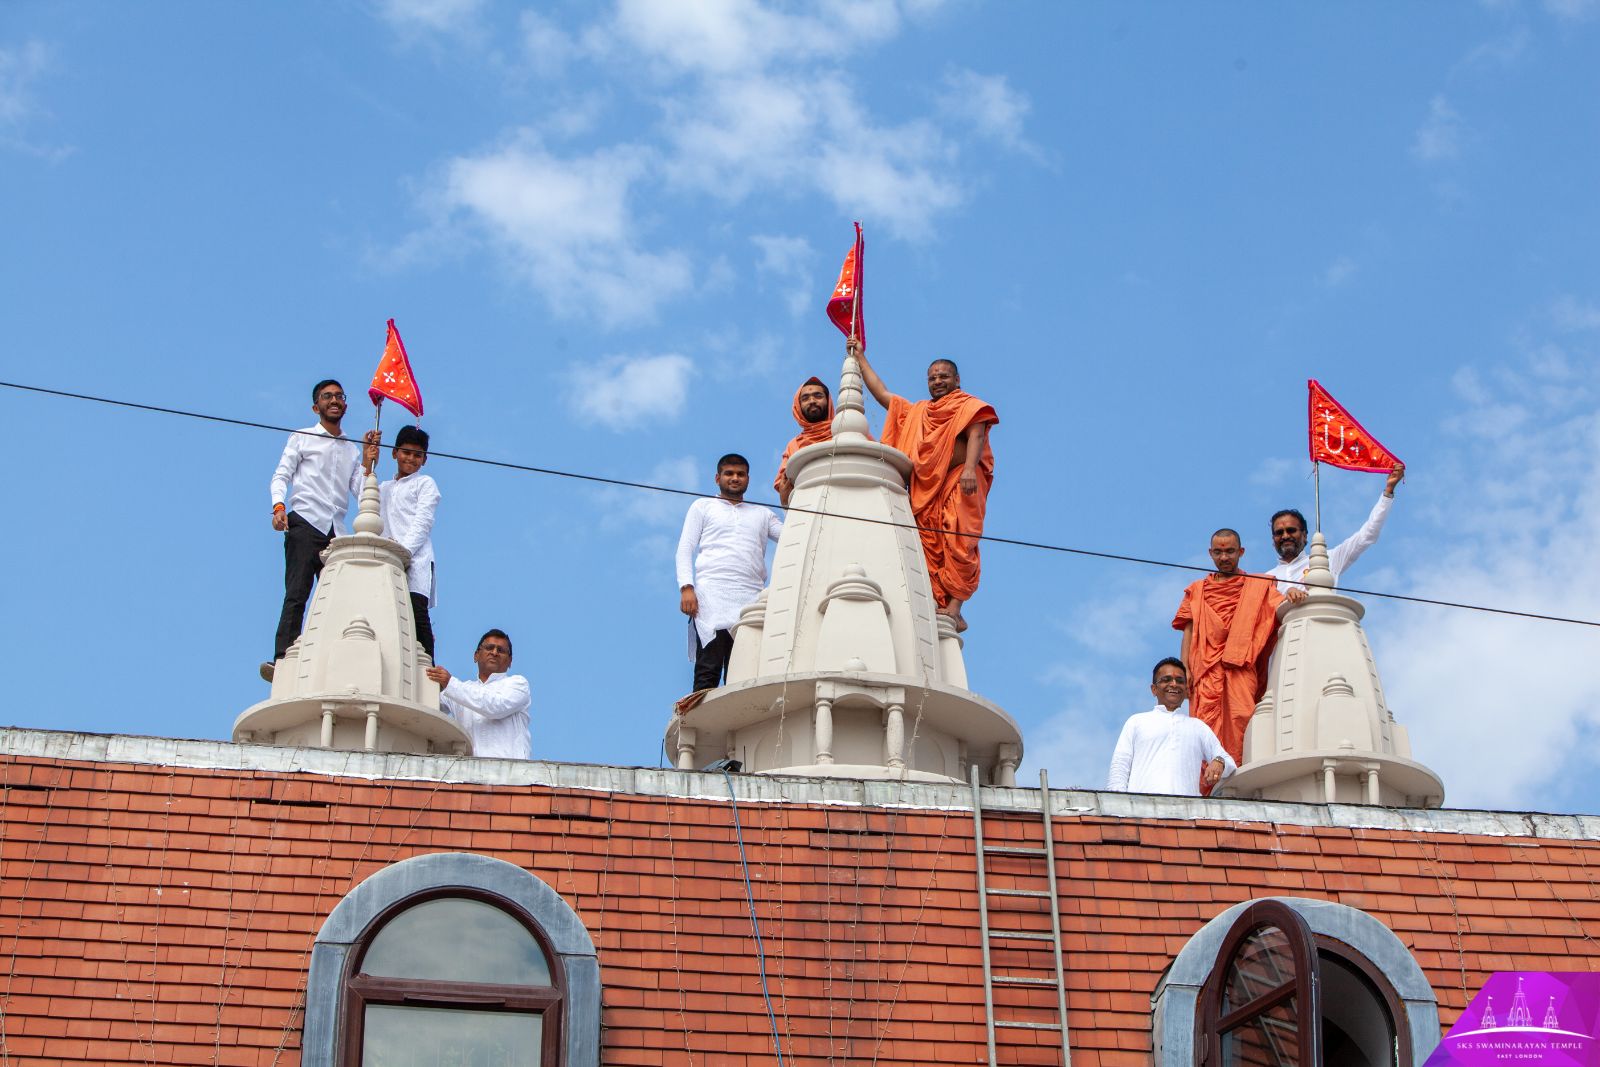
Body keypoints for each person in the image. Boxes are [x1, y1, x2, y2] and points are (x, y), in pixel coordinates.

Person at [850, 337, 998, 632]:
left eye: (944, 376)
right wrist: (860, 358)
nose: (938, 382)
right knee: (928, 543)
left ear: (957, 380)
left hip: (959, 481)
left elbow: (977, 434)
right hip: (925, 494)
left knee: (960, 540)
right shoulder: (918, 412)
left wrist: (970, 469)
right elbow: (882, 394)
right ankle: (934, 602)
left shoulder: (967, 405)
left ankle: (955, 608)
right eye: (932, 378)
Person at [265, 379, 379, 680]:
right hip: (306, 521)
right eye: (327, 396)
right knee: (297, 593)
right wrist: (278, 507)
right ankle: (283, 659)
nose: (334, 400)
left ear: (345, 404)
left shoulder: (351, 450)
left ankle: (334, 663)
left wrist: (368, 463)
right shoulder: (302, 437)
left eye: (339, 396)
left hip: (335, 531)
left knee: (339, 598)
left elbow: (360, 492)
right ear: (316, 407)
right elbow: (281, 476)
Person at [1172, 529, 1284, 765]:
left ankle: (1241, 776)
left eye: (1230, 551)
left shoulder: (1258, 586)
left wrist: (1293, 592)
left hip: (1240, 668)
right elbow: (1188, 631)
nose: (1224, 558)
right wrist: (1185, 669)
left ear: (1241, 552)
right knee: (1204, 726)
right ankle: (1209, 782)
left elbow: (1280, 606)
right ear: (1210, 553)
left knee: (1243, 718)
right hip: (1205, 670)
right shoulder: (1197, 590)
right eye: (1218, 552)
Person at [676, 454, 783, 692]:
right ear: (718, 478)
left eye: (740, 474)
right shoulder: (703, 506)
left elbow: (792, 536)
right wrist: (686, 587)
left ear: (748, 479)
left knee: (744, 673)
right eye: (729, 474)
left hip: (751, 600)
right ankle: (700, 716)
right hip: (710, 597)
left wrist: (790, 498)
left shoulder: (763, 514)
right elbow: (685, 548)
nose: (735, 478)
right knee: (708, 670)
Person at [1269, 462, 1404, 604]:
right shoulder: (1266, 579)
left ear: (1305, 535)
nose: (1285, 536)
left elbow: (1367, 534)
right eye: (1279, 532)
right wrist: (1286, 594)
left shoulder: (1329, 559)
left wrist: (1388, 491)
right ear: (1273, 539)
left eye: (1291, 530)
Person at [363, 425, 441, 659]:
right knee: (386, 612)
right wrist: (368, 461)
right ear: (395, 452)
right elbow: (363, 500)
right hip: (387, 558)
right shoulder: (384, 487)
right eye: (406, 452)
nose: (411, 459)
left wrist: (403, 551)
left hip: (415, 560)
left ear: (424, 459)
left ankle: (427, 668)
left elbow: (423, 522)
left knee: (416, 614)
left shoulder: (425, 483)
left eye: (417, 455)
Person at [1107, 658, 1235, 796]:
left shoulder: (1198, 727)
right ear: (1154, 689)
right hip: (1141, 806)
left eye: (1180, 681)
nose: (1174, 684)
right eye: (1166, 679)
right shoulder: (1136, 722)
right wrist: (1116, 803)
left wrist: (1219, 762)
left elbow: (1228, 762)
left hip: (1187, 807)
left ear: (1186, 689)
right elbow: (1120, 766)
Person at [426, 629, 531, 759]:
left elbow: (496, 707)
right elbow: (427, 705)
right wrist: (426, 648)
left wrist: (450, 684)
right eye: (489, 648)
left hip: (510, 770)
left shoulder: (518, 684)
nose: (494, 653)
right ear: (476, 655)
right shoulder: (460, 689)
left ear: (510, 661)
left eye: (501, 650)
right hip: (469, 770)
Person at [774, 377, 834, 507]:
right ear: (798, 406)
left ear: (828, 401)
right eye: (805, 398)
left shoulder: (847, 430)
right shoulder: (794, 445)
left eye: (818, 396)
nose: (812, 401)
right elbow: (785, 491)